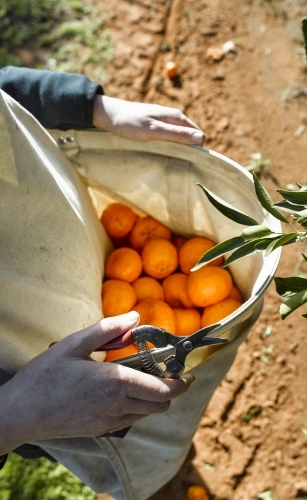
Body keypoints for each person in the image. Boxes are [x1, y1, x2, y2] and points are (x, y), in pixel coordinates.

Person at [0, 66, 204, 470]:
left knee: (156, 408)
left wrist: (90, 107)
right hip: (33, 383)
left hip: (92, 247)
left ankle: (167, 452)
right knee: (108, 441)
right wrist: (17, 415)